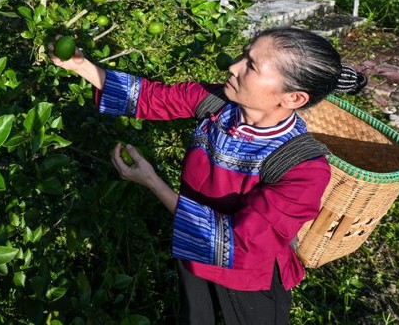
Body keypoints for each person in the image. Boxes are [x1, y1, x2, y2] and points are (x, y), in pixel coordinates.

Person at [49, 26, 367, 324]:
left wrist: (152, 182)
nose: (234, 66)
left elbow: (242, 242)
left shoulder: (303, 169)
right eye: (244, 54)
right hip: (196, 252)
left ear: (293, 98)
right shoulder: (217, 103)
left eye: (252, 66)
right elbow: (151, 97)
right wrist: (81, 66)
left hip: (247, 279)